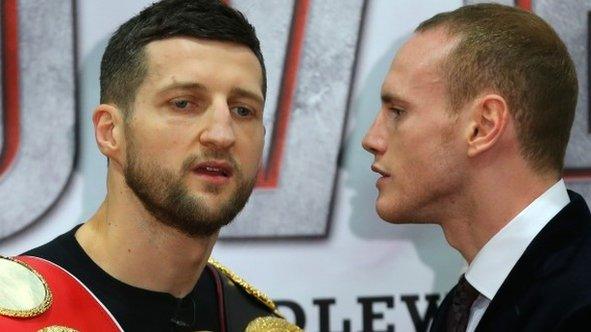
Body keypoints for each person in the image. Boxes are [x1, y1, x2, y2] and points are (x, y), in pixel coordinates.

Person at [0, 0, 300, 331]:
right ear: (110, 131)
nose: (221, 134)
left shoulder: (261, 323)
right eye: (183, 103)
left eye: (243, 110)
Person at [362, 3, 591, 331]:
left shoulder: (578, 307)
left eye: (397, 111)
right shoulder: (466, 305)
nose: (371, 139)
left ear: (483, 126)